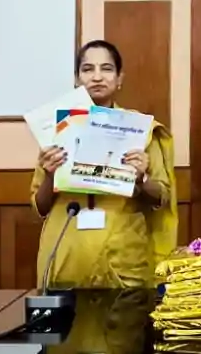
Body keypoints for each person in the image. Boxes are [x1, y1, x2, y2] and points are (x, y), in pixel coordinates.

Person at [32, 40, 177, 288]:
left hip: (123, 261)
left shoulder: (140, 130)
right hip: (66, 257)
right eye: (88, 69)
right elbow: (40, 207)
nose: (97, 77)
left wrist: (142, 178)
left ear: (119, 78)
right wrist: (49, 176)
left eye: (106, 69)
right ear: (77, 79)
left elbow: (161, 197)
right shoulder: (58, 129)